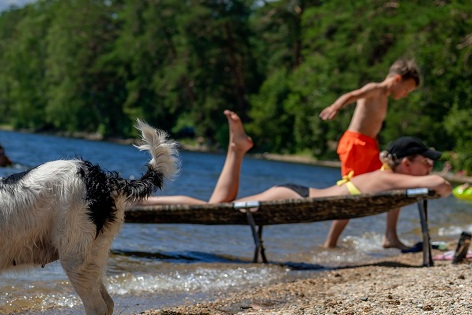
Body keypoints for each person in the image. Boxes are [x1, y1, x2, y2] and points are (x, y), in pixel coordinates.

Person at [138, 110, 451, 214]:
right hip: (293, 196)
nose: (431, 168)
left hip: (299, 194)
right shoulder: (389, 178)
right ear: (407, 164)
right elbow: (439, 185)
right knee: (213, 209)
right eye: (427, 161)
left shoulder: (387, 177)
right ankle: (141, 202)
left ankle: (238, 149)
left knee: (218, 205)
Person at [319, 59, 421, 249]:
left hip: (369, 146)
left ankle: (390, 236)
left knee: (395, 184)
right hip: (355, 145)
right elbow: (352, 94)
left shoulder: (385, 96)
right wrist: (336, 106)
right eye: (407, 89)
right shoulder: (375, 89)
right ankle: (330, 243)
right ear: (397, 79)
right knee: (351, 194)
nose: (406, 94)